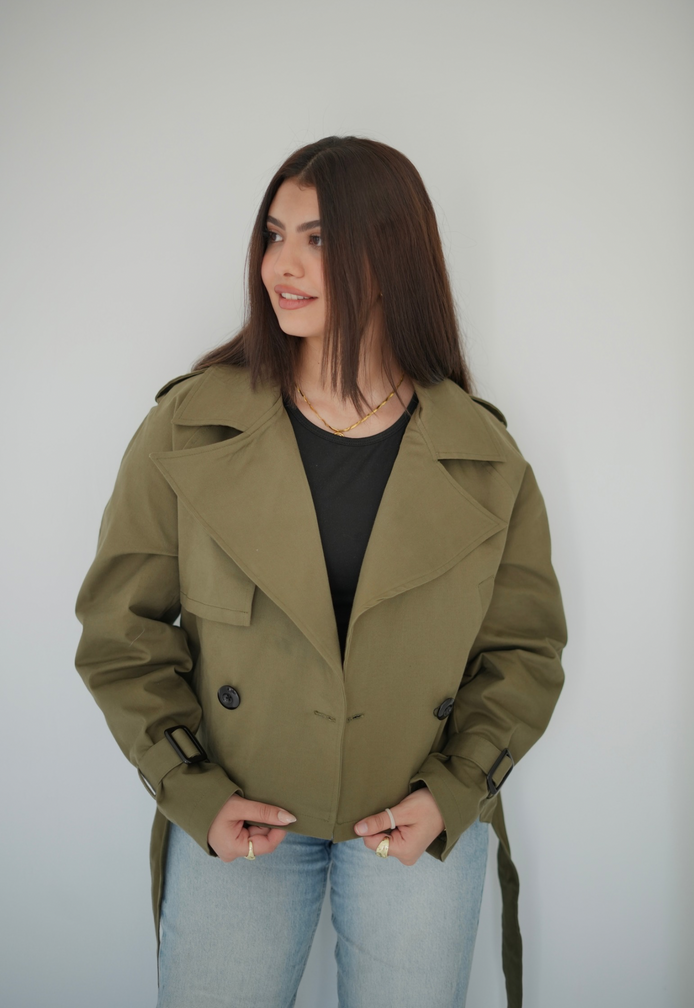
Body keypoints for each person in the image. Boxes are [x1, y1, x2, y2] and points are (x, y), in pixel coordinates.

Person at [74, 135, 567, 1008]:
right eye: (274, 235)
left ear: (391, 257)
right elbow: (122, 633)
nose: (282, 265)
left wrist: (454, 793)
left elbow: (522, 653)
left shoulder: (485, 457)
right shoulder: (188, 428)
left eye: (319, 239)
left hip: (413, 819)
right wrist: (191, 788)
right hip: (238, 814)